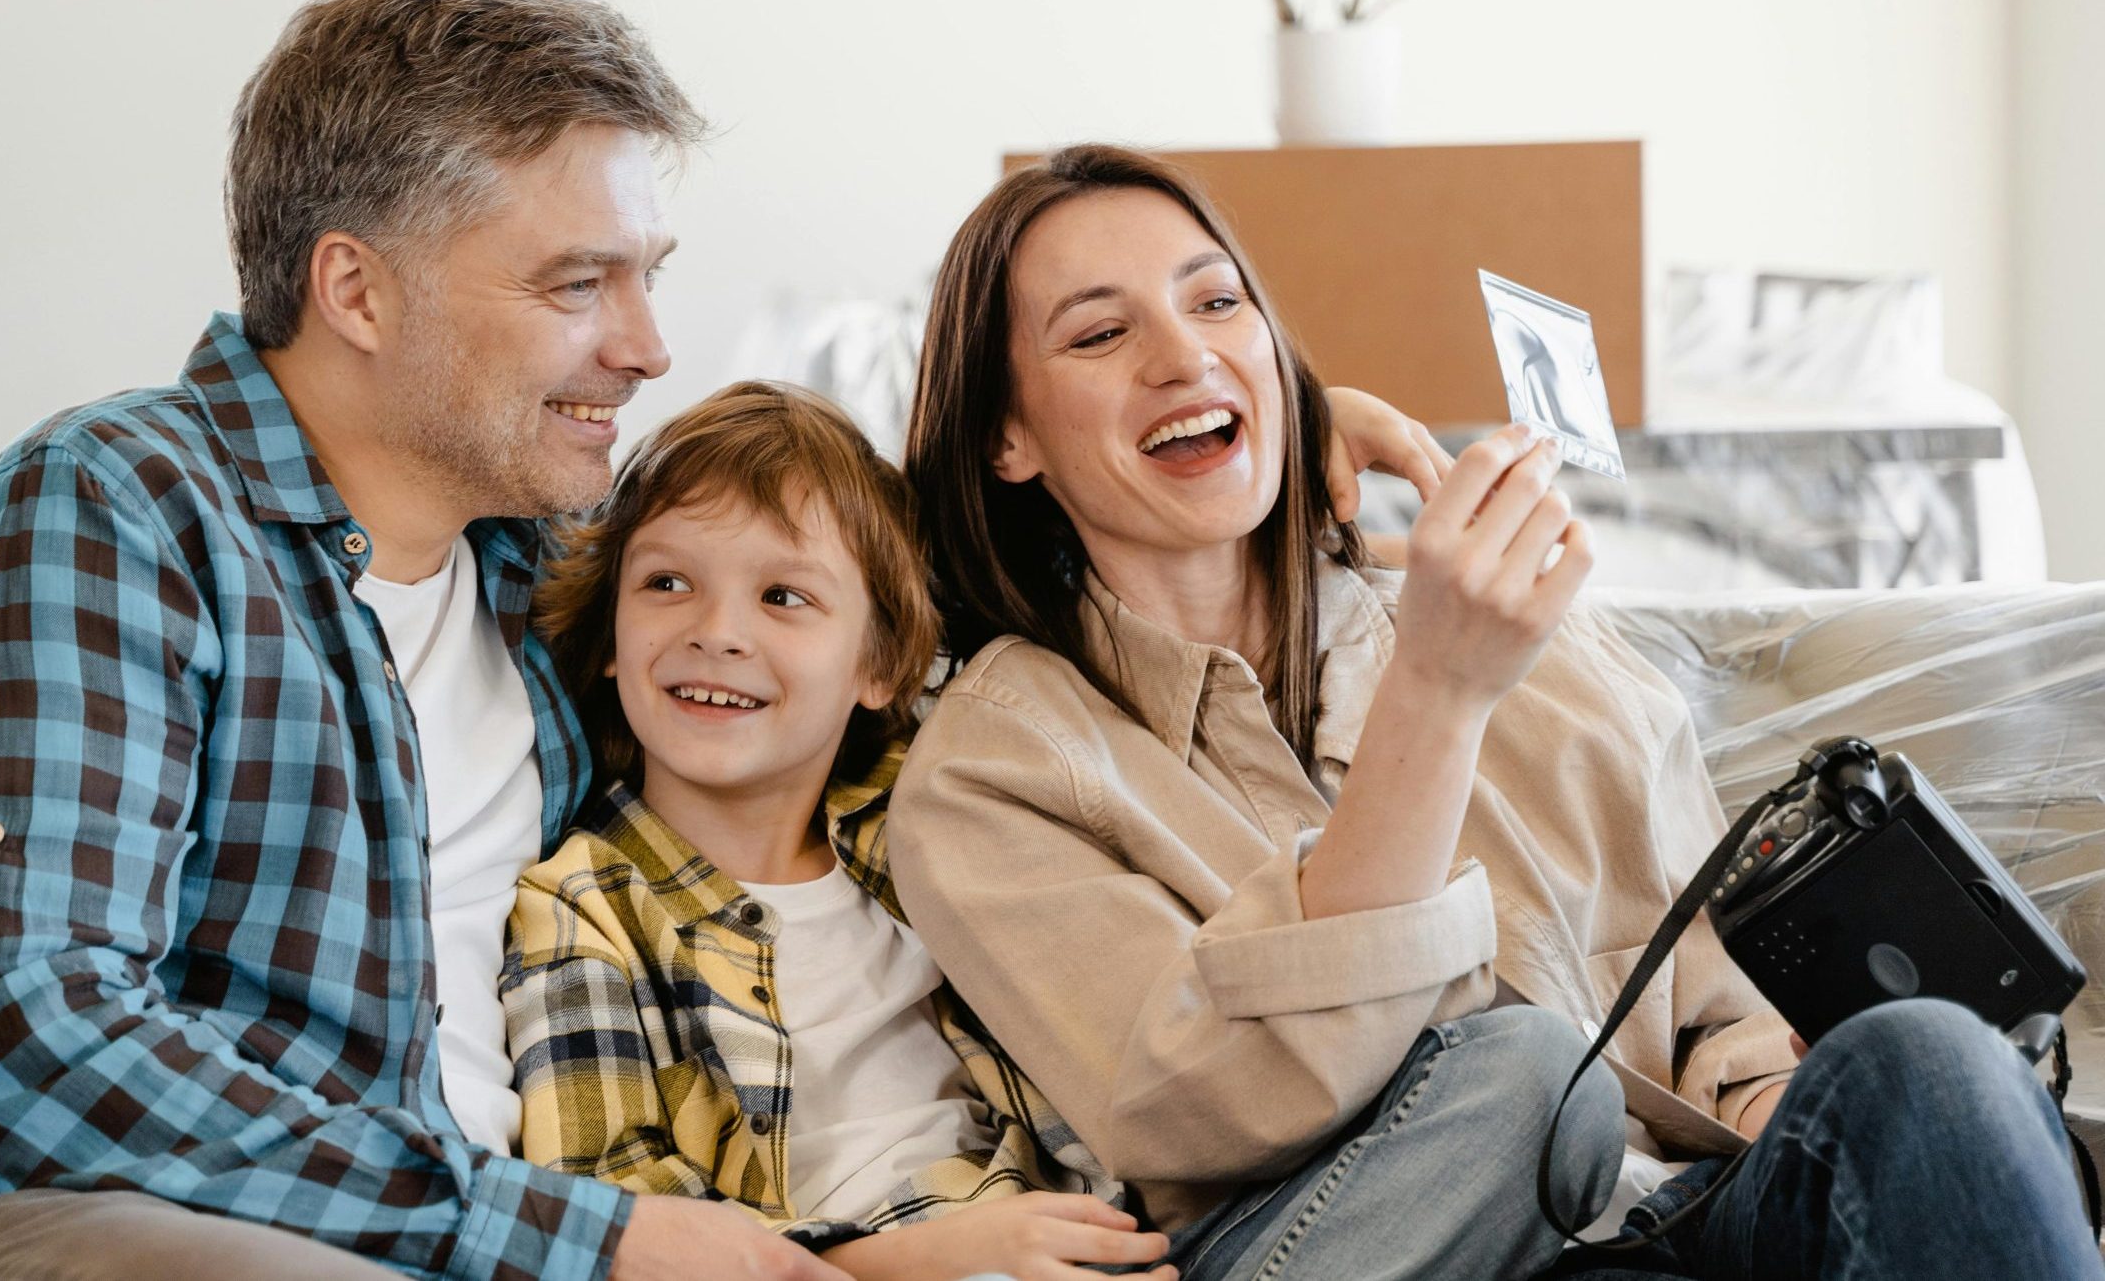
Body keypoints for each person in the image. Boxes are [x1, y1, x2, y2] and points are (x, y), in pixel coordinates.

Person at [0, 0, 1445, 1281]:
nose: (644, 344)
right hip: (26, 1234)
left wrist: (1267, 437)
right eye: (575, 284)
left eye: (650, 279)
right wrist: (577, 1238)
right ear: (354, 287)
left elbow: (853, 568)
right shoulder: (117, 513)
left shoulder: (558, 571)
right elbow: (9, 1040)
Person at [888, 142, 2103, 1281]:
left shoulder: (1529, 634)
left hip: (1689, 1209)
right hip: (1418, 1241)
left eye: (1216, 303)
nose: (1184, 356)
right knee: (1527, 1079)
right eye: (1100, 333)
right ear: (1004, 437)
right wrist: (1437, 695)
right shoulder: (991, 771)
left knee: (1932, 1061)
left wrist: (1771, 1095)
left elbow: (1713, 1002)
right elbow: (1203, 1111)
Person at [504, 380, 1171, 1281]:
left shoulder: (931, 808)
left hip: (1098, 1232)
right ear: (613, 631)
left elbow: (1096, 584)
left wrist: (1310, 442)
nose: (718, 631)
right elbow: (620, 1216)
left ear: (882, 665)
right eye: (667, 582)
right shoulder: (584, 906)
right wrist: (930, 1258)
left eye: (784, 597)